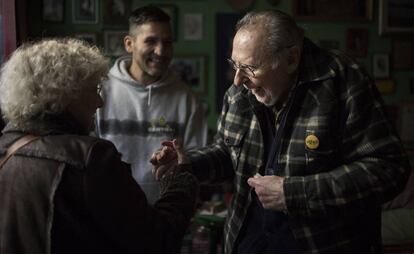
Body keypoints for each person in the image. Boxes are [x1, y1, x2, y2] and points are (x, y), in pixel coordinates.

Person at [151, 10, 411, 254]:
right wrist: (189, 163)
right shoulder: (241, 91)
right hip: (246, 242)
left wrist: (294, 193)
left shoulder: (342, 81)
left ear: (291, 59)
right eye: (234, 64)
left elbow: (388, 169)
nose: (237, 80)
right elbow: (227, 153)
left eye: (250, 68)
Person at [0, 38, 198, 254]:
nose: (100, 102)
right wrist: (179, 178)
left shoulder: (5, 146)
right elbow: (158, 239)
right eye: (93, 90)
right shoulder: (90, 156)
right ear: (66, 94)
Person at [95, 5, 208, 204]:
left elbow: (196, 166)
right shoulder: (100, 92)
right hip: (108, 215)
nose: (161, 51)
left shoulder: (187, 99)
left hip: (166, 216)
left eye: (167, 42)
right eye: (151, 41)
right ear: (129, 44)